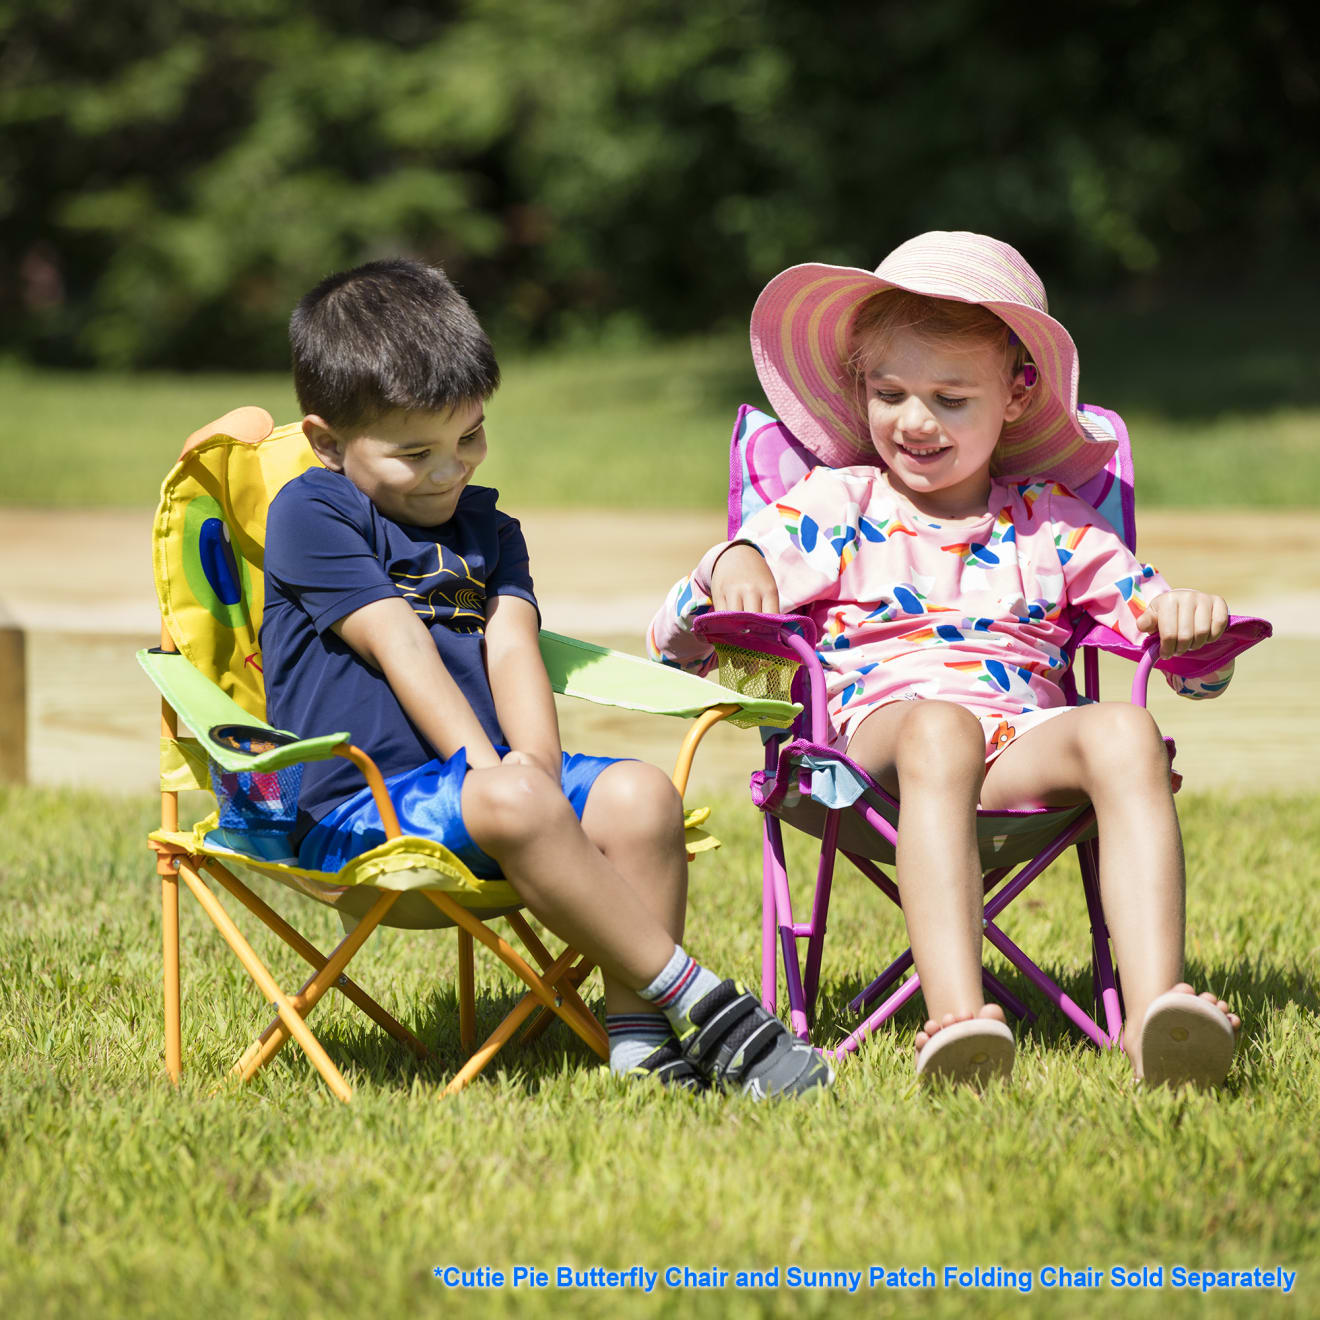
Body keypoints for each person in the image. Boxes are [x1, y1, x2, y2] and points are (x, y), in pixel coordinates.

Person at [649, 231, 1242, 1089]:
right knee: (942, 729)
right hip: (877, 756)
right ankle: (959, 1021)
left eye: (950, 398)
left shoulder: (1054, 521)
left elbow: (1182, 656)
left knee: (1123, 728)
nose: (914, 421)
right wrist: (728, 566)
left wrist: (1189, 627)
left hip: (1018, 746)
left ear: (1015, 395)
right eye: (889, 393)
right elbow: (675, 637)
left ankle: (1159, 1012)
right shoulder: (835, 504)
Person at [261, 258, 833, 1100]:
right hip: (361, 808)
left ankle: (640, 1041)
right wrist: (498, 772)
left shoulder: (492, 530)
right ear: (326, 442)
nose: (448, 470)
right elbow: (401, 647)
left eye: (469, 437)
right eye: (414, 452)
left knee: (641, 794)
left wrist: (530, 757)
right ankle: (702, 1002)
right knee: (518, 796)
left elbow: (515, 647)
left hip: (489, 793)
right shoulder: (313, 513)